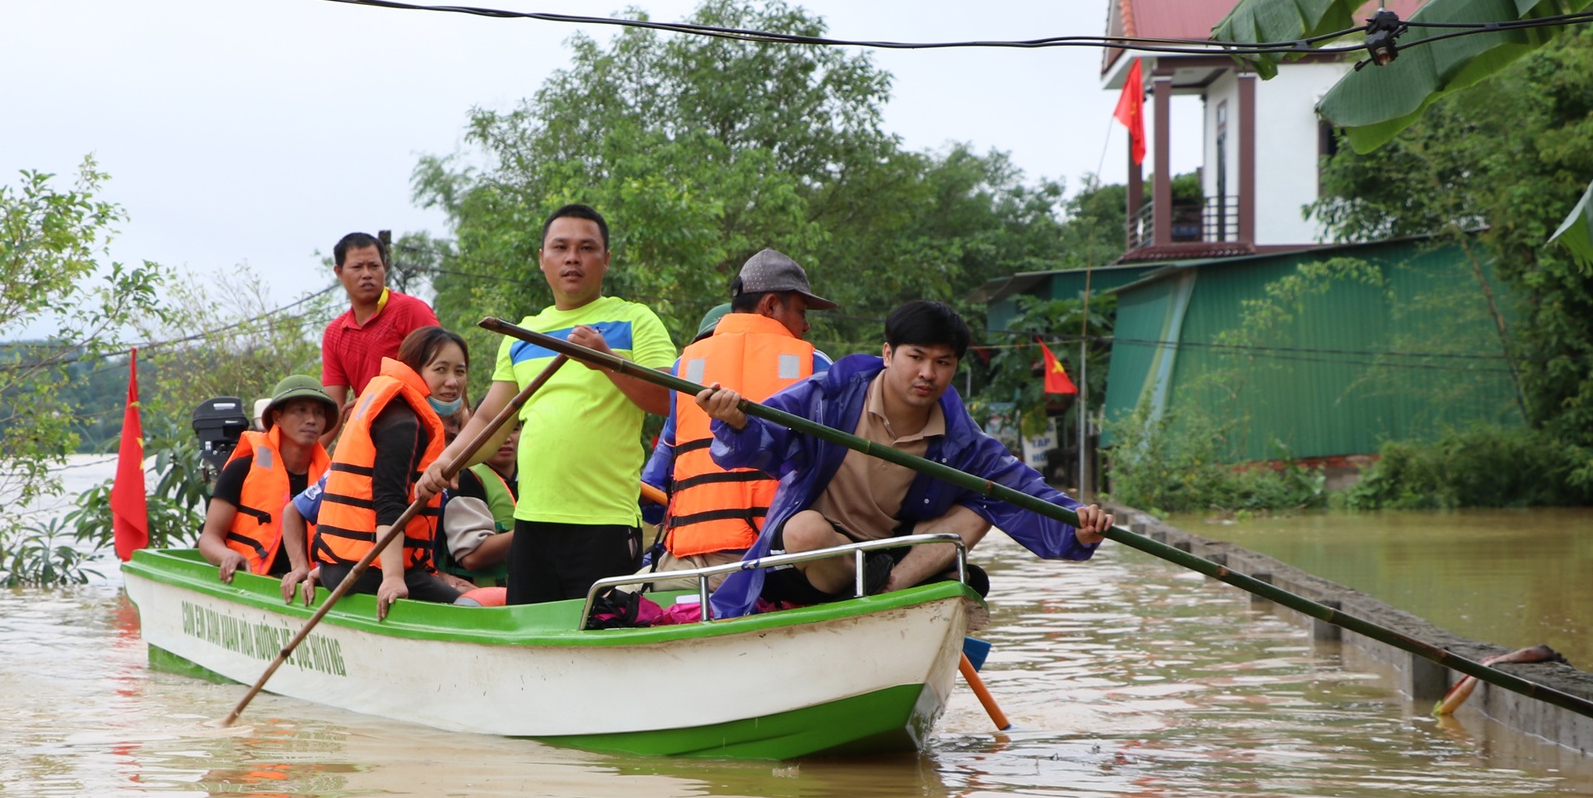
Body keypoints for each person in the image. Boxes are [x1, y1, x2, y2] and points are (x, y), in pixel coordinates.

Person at [695, 299, 1113, 618]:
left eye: (942, 362)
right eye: (916, 357)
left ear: (953, 368)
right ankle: (870, 589)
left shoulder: (962, 440)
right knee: (802, 529)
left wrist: (1079, 526)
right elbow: (761, 440)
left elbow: (1022, 490)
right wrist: (735, 421)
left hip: (892, 560)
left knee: (983, 504)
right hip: (819, 564)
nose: (928, 373)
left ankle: (891, 590)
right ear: (889, 353)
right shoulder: (828, 396)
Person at [419, 203, 676, 604]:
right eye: (560, 247)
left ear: (606, 260)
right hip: (531, 526)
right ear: (542, 259)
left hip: (604, 523)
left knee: (600, 645)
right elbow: (492, 417)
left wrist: (606, 361)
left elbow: (668, 398)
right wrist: (447, 460)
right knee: (532, 647)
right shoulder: (523, 334)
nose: (572, 257)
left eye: (586, 247)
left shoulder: (635, 320)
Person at [642, 251, 834, 585]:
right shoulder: (816, 366)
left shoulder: (685, 367)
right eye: (801, 312)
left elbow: (652, 495)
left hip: (690, 566)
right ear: (771, 305)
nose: (806, 325)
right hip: (779, 562)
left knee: (616, 597)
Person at [310, 326, 462, 618]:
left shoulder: (386, 406)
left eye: (460, 371)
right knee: (468, 606)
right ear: (413, 368)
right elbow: (388, 501)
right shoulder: (404, 423)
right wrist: (393, 577)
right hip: (367, 571)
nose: (452, 382)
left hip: (338, 564)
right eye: (440, 369)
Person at [197, 375, 338, 581]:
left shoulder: (332, 478)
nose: (311, 419)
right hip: (251, 583)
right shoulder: (242, 468)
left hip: (308, 589)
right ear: (277, 417)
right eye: (300, 410)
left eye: (319, 413)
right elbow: (209, 538)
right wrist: (227, 556)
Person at [319, 232, 440, 425]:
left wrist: (380, 397)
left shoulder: (411, 311)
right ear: (339, 272)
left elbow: (441, 374)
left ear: (384, 267)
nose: (367, 274)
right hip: (367, 430)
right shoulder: (335, 333)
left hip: (417, 424)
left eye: (374, 266)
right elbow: (334, 409)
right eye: (357, 267)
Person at [438, 425, 519, 588]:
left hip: (528, 590)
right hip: (481, 596)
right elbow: (472, 557)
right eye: (497, 430)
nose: (506, 438)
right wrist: (534, 530)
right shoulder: (466, 480)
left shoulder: (531, 476)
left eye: (514, 429)